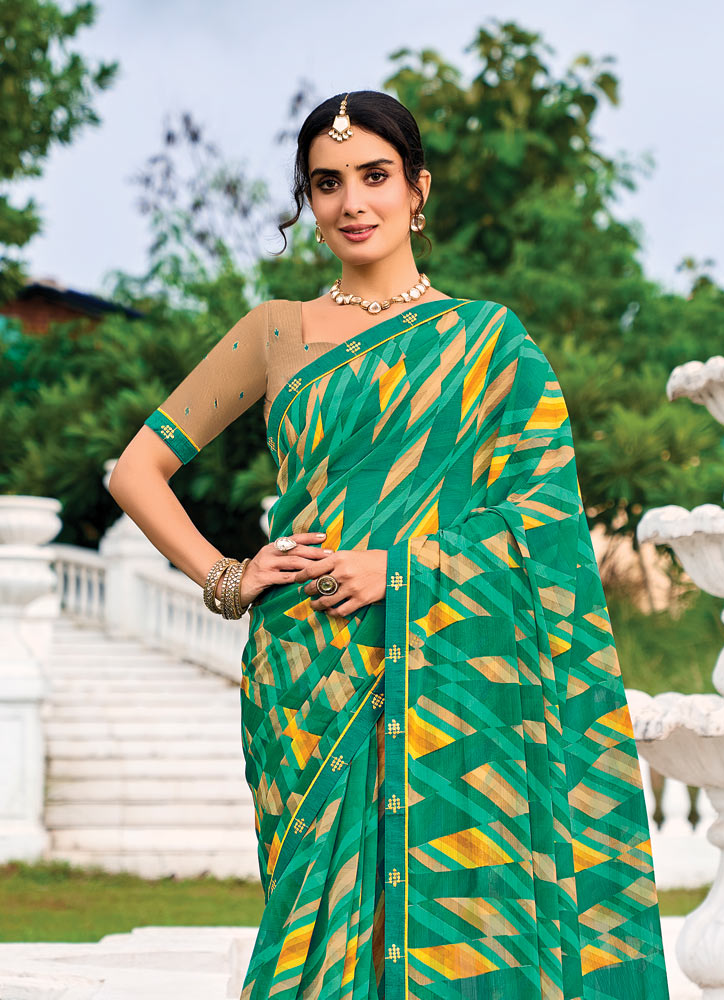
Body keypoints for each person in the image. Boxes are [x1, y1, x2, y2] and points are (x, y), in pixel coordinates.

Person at [109, 90, 670, 1000]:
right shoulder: (275, 333)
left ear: (418, 190)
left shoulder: (490, 342)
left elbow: (546, 523)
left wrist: (400, 569)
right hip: (309, 671)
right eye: (327, 183)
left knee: (462, 924)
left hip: (455, 668)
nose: (352, 203)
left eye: (374, 176)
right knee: (313, 932)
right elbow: (138, 471)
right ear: (308, 202)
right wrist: (229, 577)